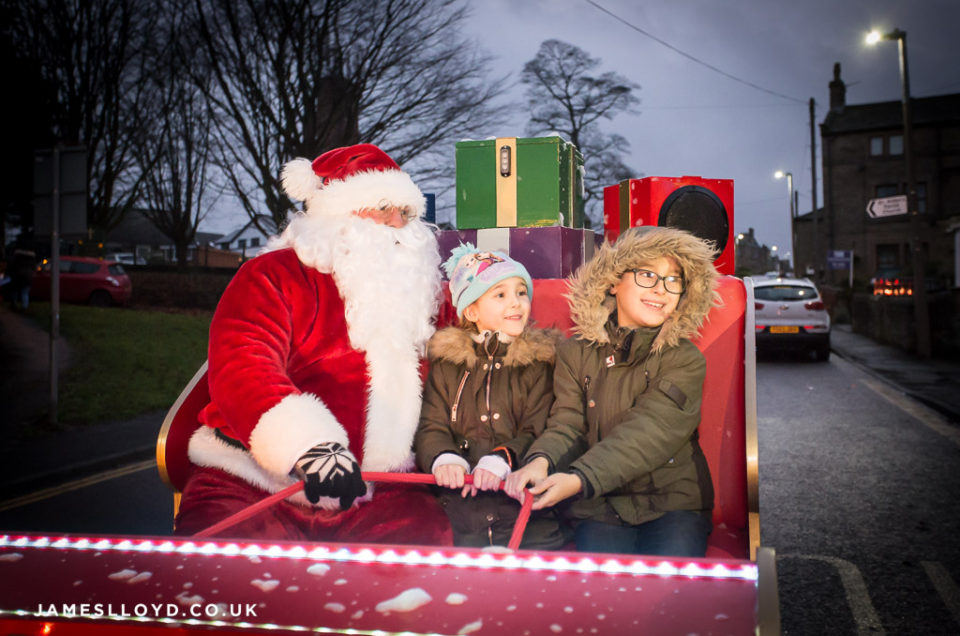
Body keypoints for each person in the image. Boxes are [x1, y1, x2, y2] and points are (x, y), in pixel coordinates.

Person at [174, 143, 451, 545]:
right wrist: (311, 448)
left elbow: (475, 356)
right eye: (381, 207)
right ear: (334, 215)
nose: (397, 223)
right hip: (255, 479)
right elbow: (245, 363)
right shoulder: (271, 276)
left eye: (406, 212)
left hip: (380, 491)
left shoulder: (425, 296)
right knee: (220, 578)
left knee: (422, 570)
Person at [505, 226, 719, 557]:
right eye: (648, 274)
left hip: (671, 503)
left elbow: (649, 433)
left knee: (672, 593)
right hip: (599, 505)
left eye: (673, 280)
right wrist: (541, 460)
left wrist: (578, 479)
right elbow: (567, 424)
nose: (661, 289)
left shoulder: (684, 359)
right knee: (605, 590)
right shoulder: (576, 352)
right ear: (615, 281)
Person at [414, 244, 569, 549]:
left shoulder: (538, 364)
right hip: (463, 520)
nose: (516, 303)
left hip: (527, 521)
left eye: (521, 293)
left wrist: (503, 457)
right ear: (471, 310)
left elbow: (540, 427)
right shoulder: (448, 365)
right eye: (500, 295)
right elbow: (431, 425)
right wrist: (444, 458)